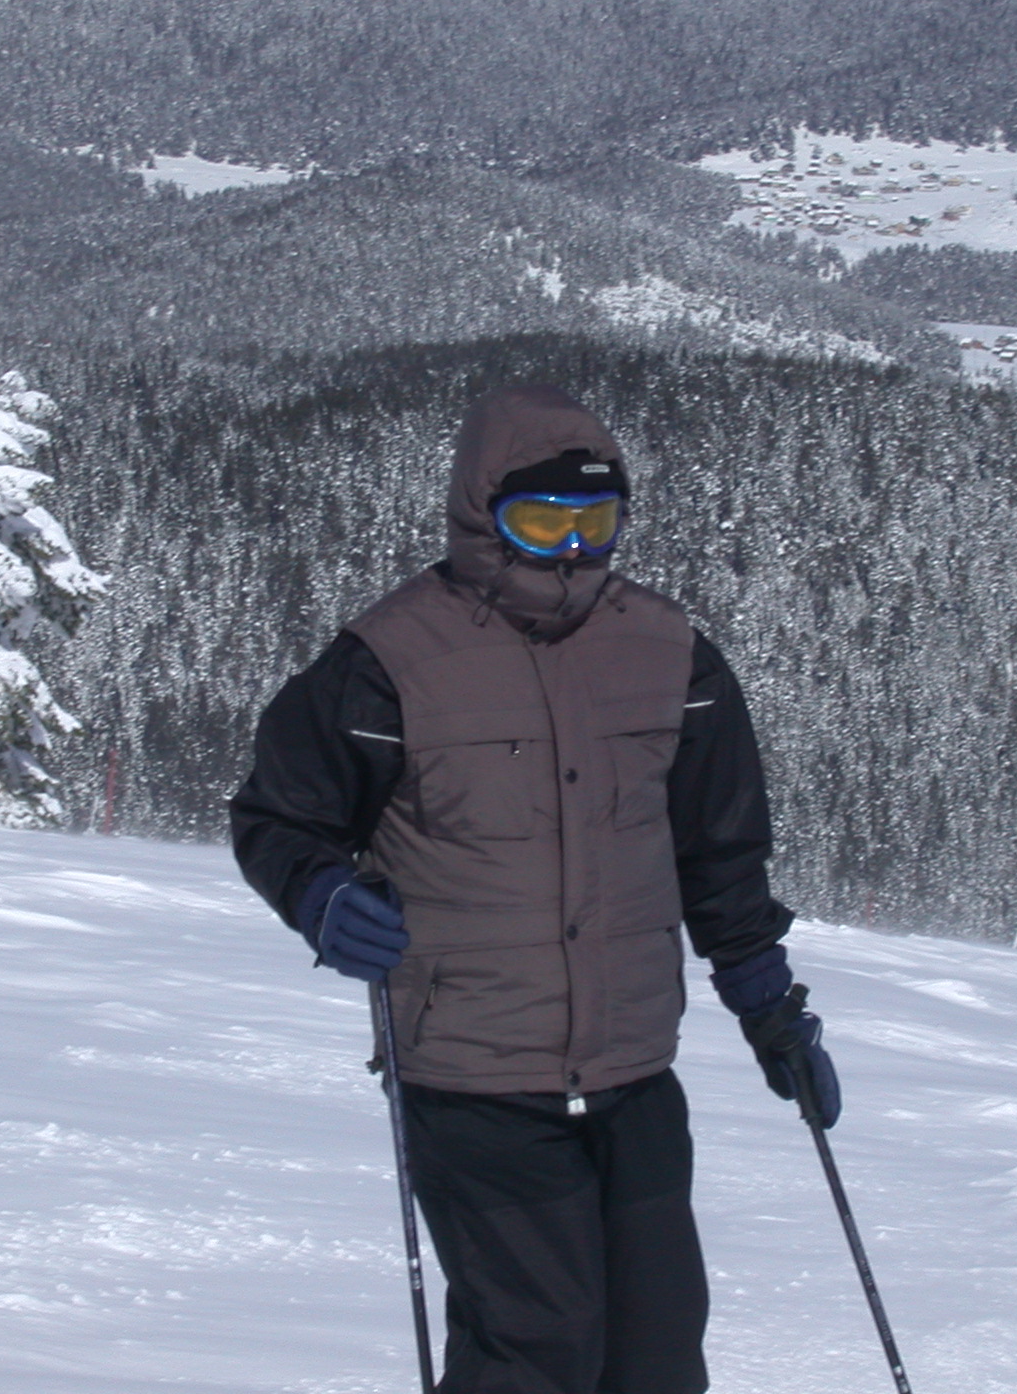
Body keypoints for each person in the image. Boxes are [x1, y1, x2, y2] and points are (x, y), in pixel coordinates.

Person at [231, 383, 840, 1394]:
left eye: (596, 522)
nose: (572, 550)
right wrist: (322, 898)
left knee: (655, 1358)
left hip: (633, 1070)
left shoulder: (670, 656)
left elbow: (719, 851)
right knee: (535, 1350)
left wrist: (768, 1005)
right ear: (483, 516)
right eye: (543, 523)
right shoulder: (390, 661)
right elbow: (280, 816)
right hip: (472, 1079)